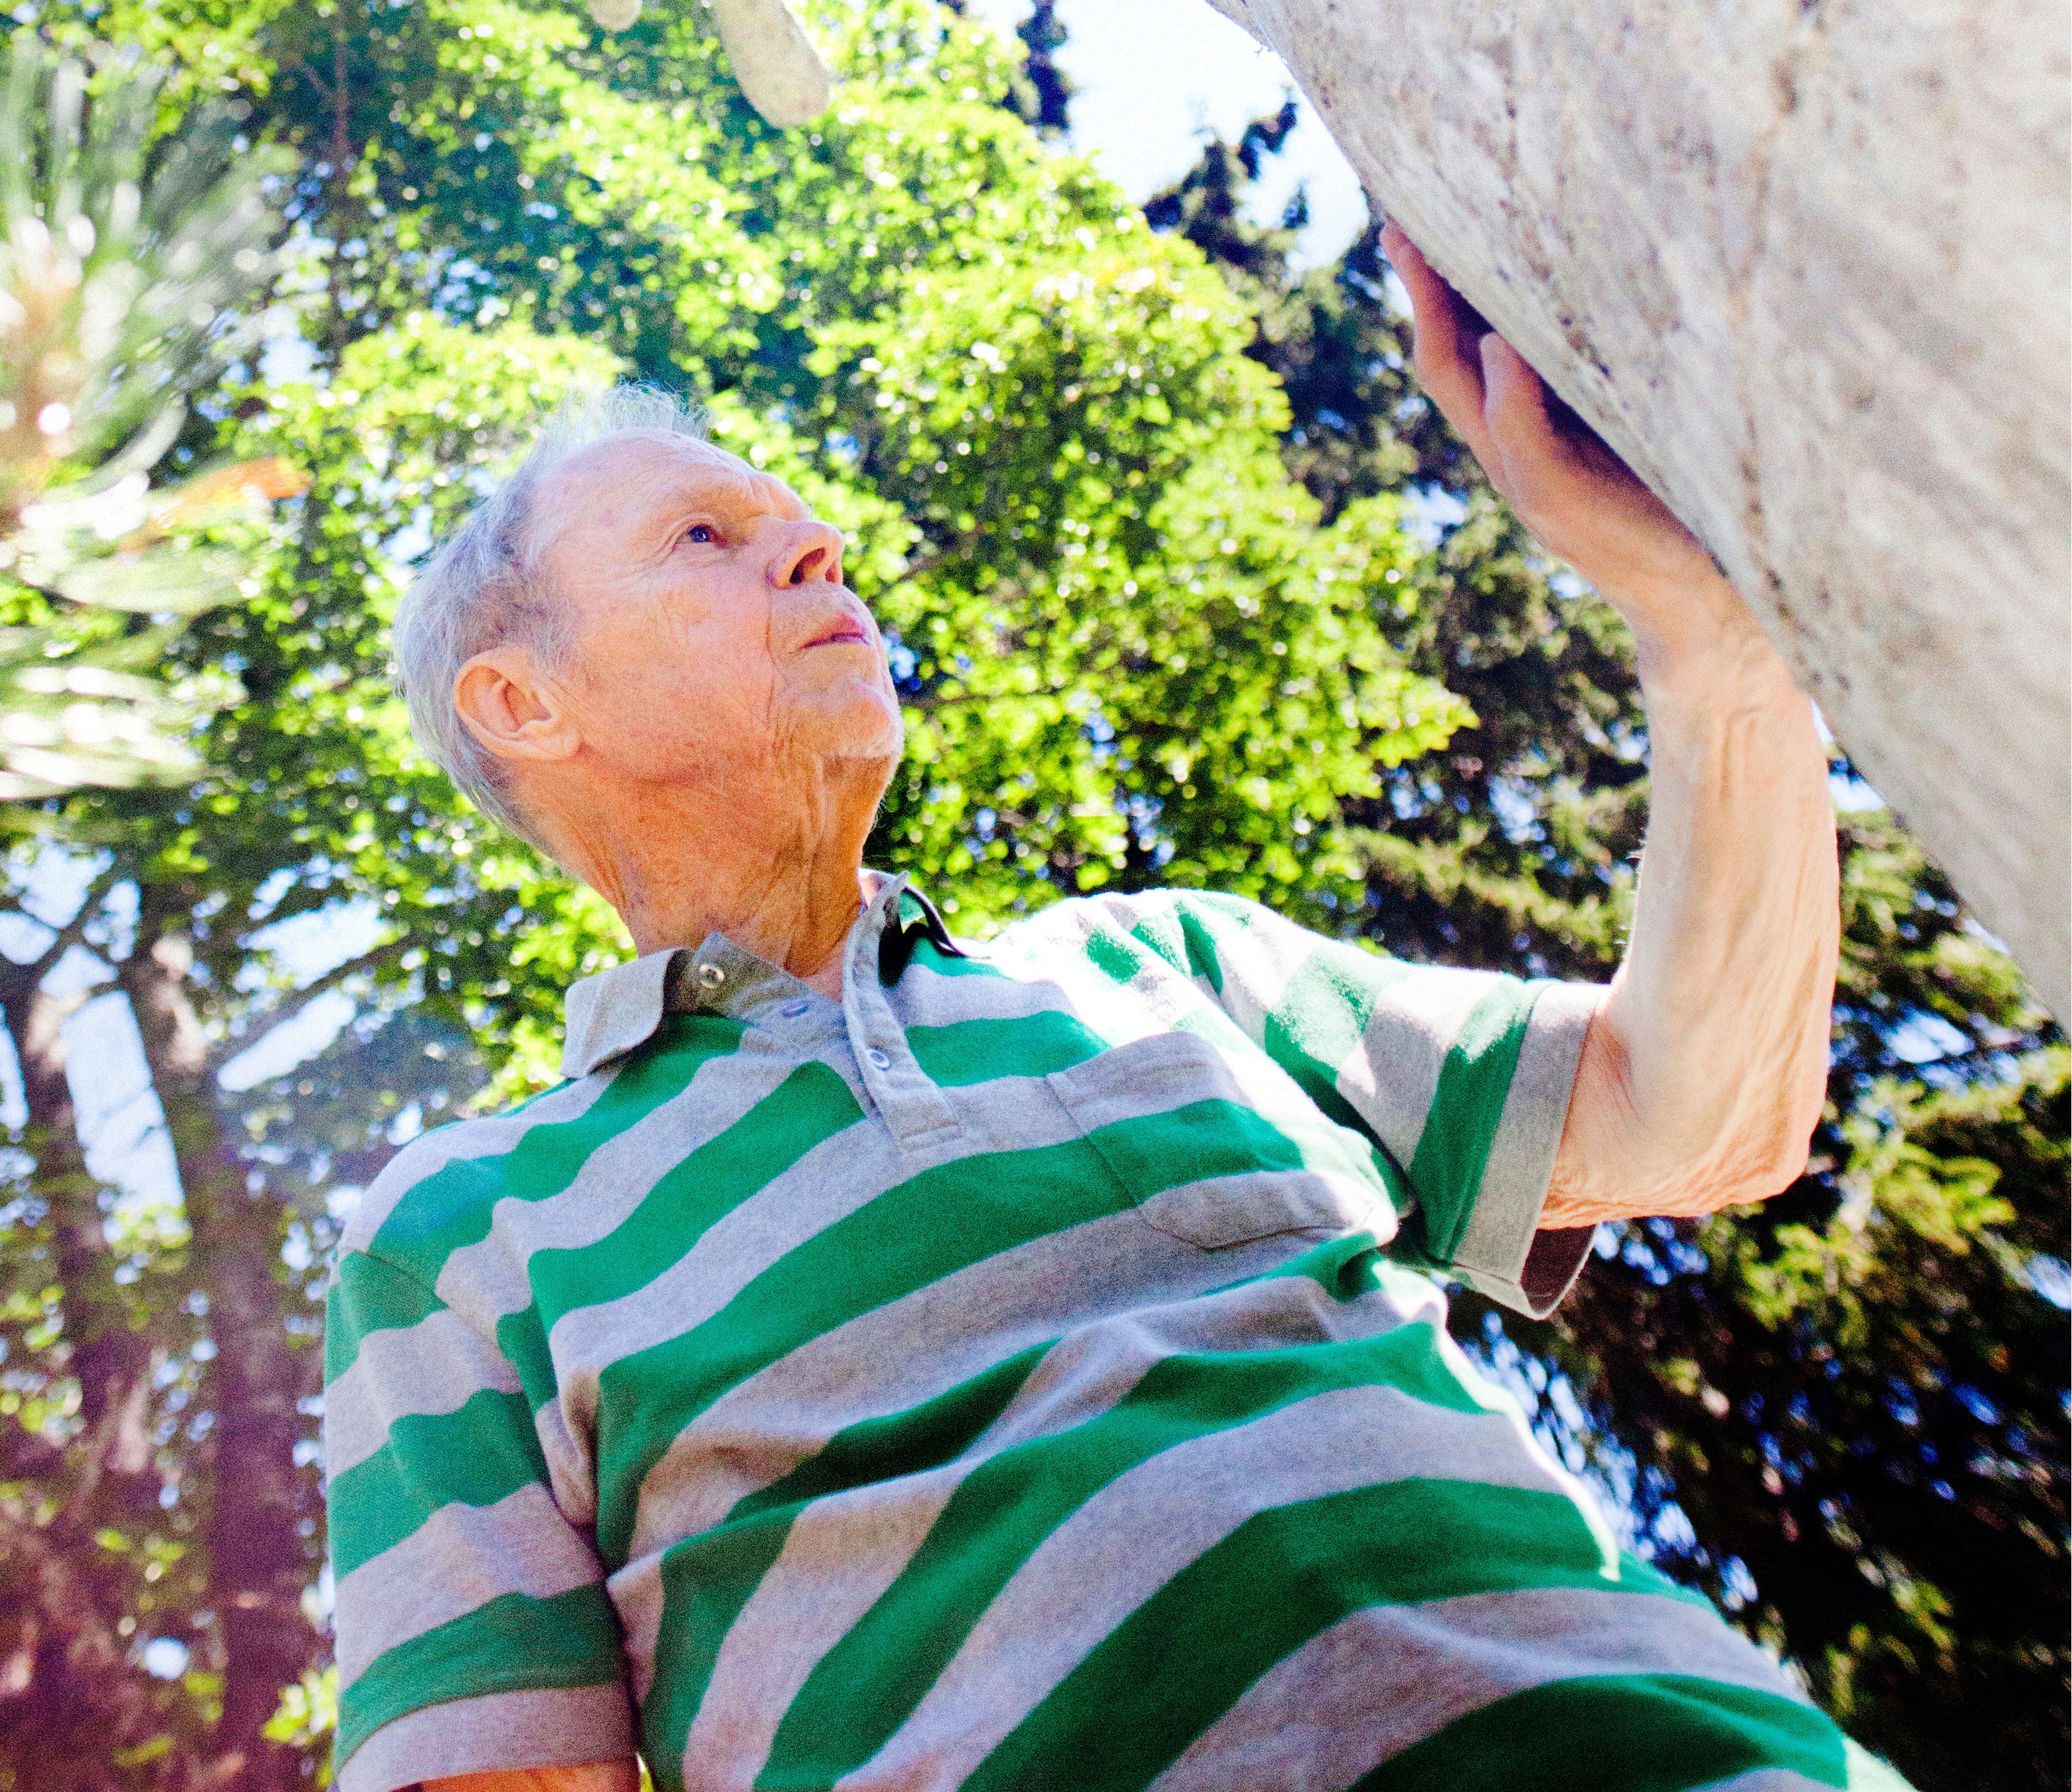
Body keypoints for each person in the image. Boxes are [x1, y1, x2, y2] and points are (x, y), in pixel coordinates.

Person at [325, 229, 1884, 1792]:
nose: (818, 551)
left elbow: (1695, 1116)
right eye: (703, 537)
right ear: (528, 704)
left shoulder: (1166, 964)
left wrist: (1716, 644)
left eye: (805, 528)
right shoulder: (460, 1234)